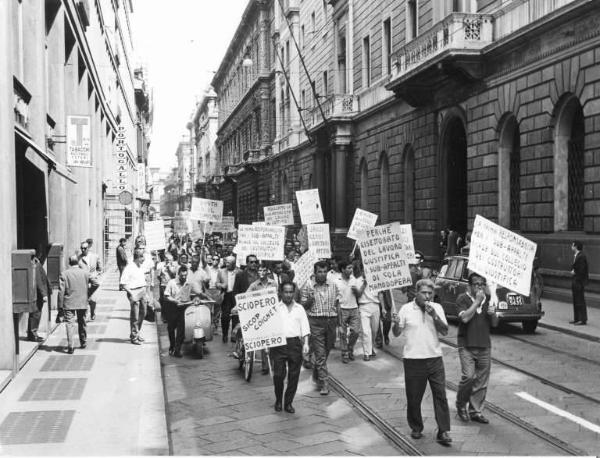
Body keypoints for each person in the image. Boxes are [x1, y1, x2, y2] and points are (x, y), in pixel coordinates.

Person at [392, 278, 452, 446]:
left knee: (440, 395)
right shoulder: (405, 309)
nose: (427, 296)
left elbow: (445, 331)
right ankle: (416, 426)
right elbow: (396, 333)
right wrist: (395, 324)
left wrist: (434, 315)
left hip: (434, 358)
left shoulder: (437, 308)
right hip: (413, 359)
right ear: (416, 293)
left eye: (430, 293)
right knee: (414, 396)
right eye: (424, 293)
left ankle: (443, 430)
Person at [455, 273, 498, 424]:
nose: (479, 287)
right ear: (470, 286)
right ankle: (461, 404)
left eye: (482, 284)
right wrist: (477, 302)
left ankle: (475, 411)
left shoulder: (489, 300)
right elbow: (465, 318)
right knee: (468, 377)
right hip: (466, 345)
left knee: (481, 381)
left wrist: (493, 314)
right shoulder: (463, 299)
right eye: (476, 284)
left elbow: (494, 324)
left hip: (484, 345)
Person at [300, 261, 339, 395]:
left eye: (324, 272)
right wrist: (310, 300)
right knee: (320, 354)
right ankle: (324, 383)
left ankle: (317, 371)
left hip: (331, 321)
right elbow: (302, 306)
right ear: (314, 273)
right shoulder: (308, 286)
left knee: (326, 351)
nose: (322, 274)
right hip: (315, 322)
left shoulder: (333, 285)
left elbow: (337, 303)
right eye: (319, 272)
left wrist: (338, 323)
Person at [271, 281, 310, 413]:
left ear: (294, 293)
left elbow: (305, 327)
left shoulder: (299, 308)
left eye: (291, 292)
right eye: (286, 292)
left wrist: (306, 343)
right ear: (281, 292)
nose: (288, 295)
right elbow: (268, 327)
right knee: (278, 375)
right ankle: (278, 400)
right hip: (279, 344)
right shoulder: (275, 308)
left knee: (294, 375)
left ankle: (288, 402)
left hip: (294, 344)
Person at [248, 263, 278, 374]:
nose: (261, 273)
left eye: (263, 270)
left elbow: (278, 296)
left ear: (267, 272)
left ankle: (274, 364)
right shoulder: (254, 285)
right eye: (259, 271)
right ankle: (265, 366)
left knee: (273, 340)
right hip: (260, 315)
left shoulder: (273, 283)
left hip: (272, 314)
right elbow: (246, 296)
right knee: (264, 340)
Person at [58, 255, 90, 353]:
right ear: (78, 262)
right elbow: (96, 283)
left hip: (69, 302)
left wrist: (60, 307)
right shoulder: (85, 273)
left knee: (69, 324)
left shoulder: (64, 274)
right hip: (82, 301)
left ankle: (70, 346)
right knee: (82, 322)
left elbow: (60, 292)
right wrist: (87, 294)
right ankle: (83, 342)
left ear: (69, 262)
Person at [352, 260, 382, 361]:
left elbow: (380, 294)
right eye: (364, 270)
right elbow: (358, 294)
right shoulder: (357, 281)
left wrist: (384, 308)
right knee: (366, 331)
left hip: (375, 306)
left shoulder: (376, 279)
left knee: (374, 330)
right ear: (362, 270)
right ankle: (366, 353)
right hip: (363, 306)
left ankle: (371, 347)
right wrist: (364, 284)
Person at [120, 250, 148, 345]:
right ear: (136, 258)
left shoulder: (140, 267)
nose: (143, 260)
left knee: (143, 313)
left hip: (142, 291)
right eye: (141, 258)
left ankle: (137, 332)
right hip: (134, 291)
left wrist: (145, 292)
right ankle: (134, 336)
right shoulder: (129, 268)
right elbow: (123, 283)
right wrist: (131, 294)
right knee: (135, 316)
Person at [336, 260, 361, 363]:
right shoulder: (336, 281)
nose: (351, 270)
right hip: (342, 309)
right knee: (342, 333)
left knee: (355, 332)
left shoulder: (353, 279)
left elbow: (358, 295)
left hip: (354, 308)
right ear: (342, 269)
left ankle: (350, 348)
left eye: (352, 268)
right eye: (349, 268)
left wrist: (357, 291)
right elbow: (336, 299)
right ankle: (344, 352)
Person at [164, 265, 192, 357]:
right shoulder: (172, 283)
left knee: (181, 330)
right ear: (178, 274)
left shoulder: (188, 283)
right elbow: (166, 296)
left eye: (185, 276)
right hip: (172, 308)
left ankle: (177, 350)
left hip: (183, 308)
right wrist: (176, 301)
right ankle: (172, 346)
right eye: (182, 276)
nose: (183, 277)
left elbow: (191, 294)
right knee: (171, 329)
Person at [27, 248, 52, 342]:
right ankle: (33, 334)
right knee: (36, 314)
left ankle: (33, 333)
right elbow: (38, 281)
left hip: (38, 294)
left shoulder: (36, 262)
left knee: (36, 314)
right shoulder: (36, 264)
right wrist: (44, 294)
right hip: (38, 295)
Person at [216, 255, 241, 342]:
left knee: (235, 317)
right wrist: (221, 285)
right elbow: (217, 283)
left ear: (234, 264)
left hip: (236, 297)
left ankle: (233, 335)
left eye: (229, 263)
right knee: (225, 317)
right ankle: (225, 334)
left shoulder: (239, 272)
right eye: (226, 262)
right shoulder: (221, 271)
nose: (227, 264)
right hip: (226, 295)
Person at [79, 240, 102, 320]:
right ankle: (84, 316)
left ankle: (92, 312)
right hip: (84, 281)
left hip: (93, 281)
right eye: (81, 248)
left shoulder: (95, 256)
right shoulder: (79, 258)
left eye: (85, 248)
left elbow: (99, 268)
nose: (83, 250)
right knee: (84, 299)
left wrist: (96, 274)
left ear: (88, 248)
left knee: (93, 300)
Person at [570, 241, 588, 325]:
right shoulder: (577, 256)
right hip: (576, 281)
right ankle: (577, 318)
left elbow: (582, 270)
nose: (571, 246)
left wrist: (574, 272)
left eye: (572, 245)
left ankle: (582, 319)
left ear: (576, 246)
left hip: (578, 282)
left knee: (580, 300)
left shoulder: (581, 256)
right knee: (576, 300)